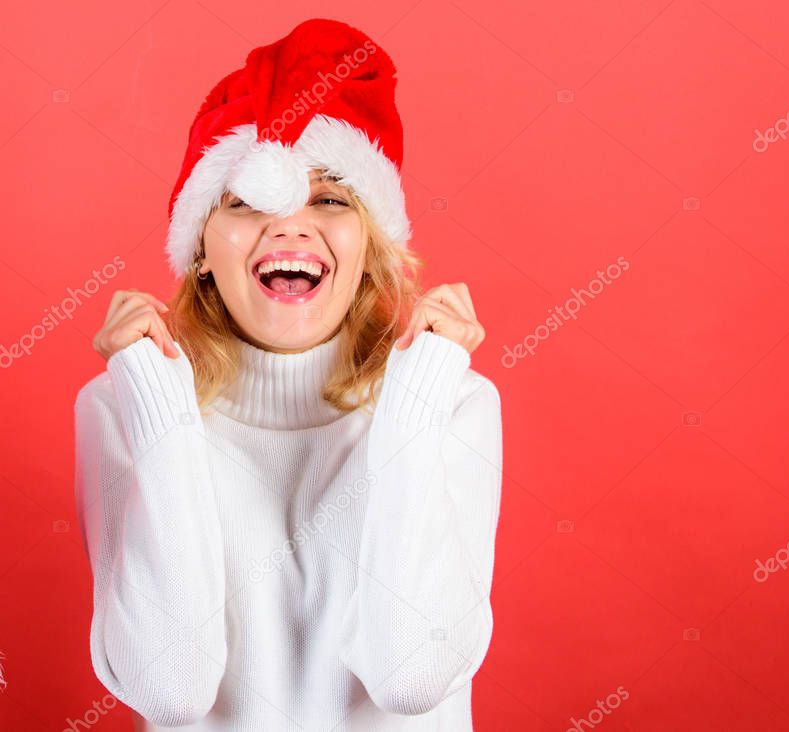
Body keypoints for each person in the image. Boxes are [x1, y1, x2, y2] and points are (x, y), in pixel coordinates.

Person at [73, 18, 502, 731]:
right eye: (245, 203)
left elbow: (410, 676)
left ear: (370, 246)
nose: (290, 227)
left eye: (330, 199)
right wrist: (162, 411)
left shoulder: (448, 399)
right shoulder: (124, 406)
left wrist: (412, 399)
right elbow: (169, 688)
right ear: (201, 249)